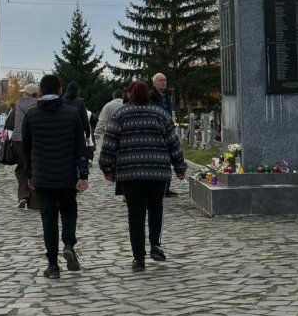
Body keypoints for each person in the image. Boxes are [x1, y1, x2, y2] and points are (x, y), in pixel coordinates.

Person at [99, 80, 186, 272]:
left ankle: (138, 259)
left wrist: (107, 167)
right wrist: (179, 166)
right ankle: (156, 244)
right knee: (156, 207)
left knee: (135, 214)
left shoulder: (120, 114)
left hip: (130, 173)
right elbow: (173, 142)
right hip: (157, 171)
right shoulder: (160, 113)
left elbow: (110, 143)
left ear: (129, 94)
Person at [21, 74, 89, 279]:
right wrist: (83, 174)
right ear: (60, 90)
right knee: (69, 211)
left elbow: (25, 149)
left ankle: (52, 265)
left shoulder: (31, 116)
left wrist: (30, 174)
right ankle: (68, 244)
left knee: (48, 219)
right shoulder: (72, 113)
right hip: (67, 175)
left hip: (43, 177)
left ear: (40, 92)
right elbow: (80, 146)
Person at [5, 82, 39, 208]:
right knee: (33, 167)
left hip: (18, 140)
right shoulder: (39, 104)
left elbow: (8, 123)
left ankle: (23, 195)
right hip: (34, 139)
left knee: (21, 168)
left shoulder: (18, 103)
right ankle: (34, 201)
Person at [150, 72, 176, 196]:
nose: (164, 82)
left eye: (165, 80)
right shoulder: (151, 96)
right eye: (161, 80)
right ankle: (159, 187)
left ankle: (167, 186)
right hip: (157, 132)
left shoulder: (166, 95)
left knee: (168, 159)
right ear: (154, 83)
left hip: (168, 130)